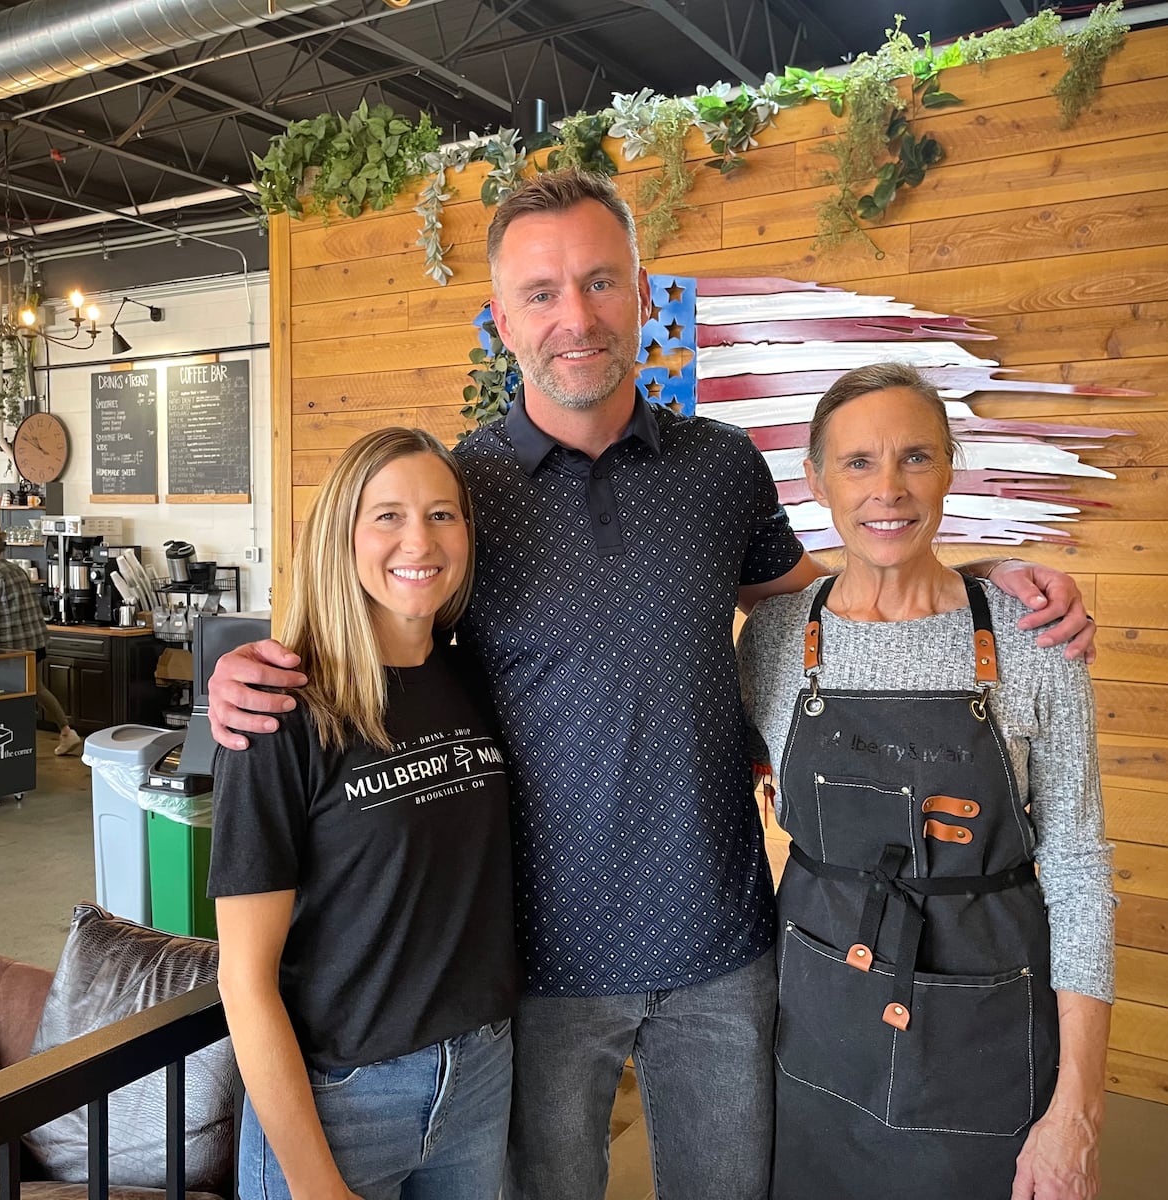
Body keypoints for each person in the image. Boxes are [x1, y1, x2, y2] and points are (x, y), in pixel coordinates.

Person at [208, 169, 1096, 1200]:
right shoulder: (463, 491)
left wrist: (981, 590)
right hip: (529, 965)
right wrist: (245, 669)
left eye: (599, 282)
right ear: (500, 320)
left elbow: (836, 604)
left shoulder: (722, 467)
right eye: (540, 293)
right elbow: (381, 619)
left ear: (641, 295)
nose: (574, 316)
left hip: (720, 946)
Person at [737, 361, 1113, 1200]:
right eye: (858, 463)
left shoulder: (1034, 639)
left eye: (915, 457)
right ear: (816, 481)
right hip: (818, 1026)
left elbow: (1082, 873)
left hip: (987, 1026)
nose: (889, 490)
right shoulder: (770, 640)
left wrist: (1077, 1113)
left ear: (949, 467)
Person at [209, 427, 515, 1200]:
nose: (421, 539)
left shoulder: (478, 680)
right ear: (341, 536)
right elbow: (243, 980)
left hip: (477, 1079)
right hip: (340, 1100)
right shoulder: (280, 714)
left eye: (443, 514)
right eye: (388, 516)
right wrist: (314, 1184)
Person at [0, 529, 81, 756]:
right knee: (37, 689)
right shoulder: (16, 570)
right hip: (35, 640)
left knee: (5, 694)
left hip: (10, 647)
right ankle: (67, 732)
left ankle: (11, 744)